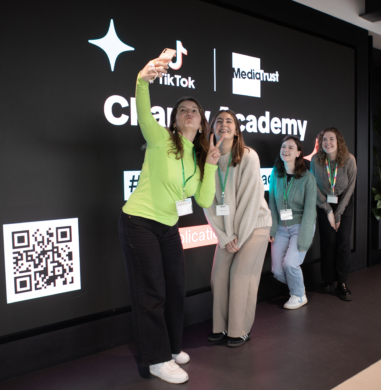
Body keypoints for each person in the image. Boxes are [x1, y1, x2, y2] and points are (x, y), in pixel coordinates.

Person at [118, 58, 222, 384]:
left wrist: (214, 165)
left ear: (202, 122)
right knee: (152, 293)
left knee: (176, 289)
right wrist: (142, 80)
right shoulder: (161, 138)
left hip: (168, 227)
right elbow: (144, 112)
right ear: (175, 121)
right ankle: (157, 359)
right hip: (139, 221)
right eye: (182, 110)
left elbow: (203, 199)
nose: (188, 112)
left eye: (194, 110)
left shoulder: (199, 157)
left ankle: (172, 348)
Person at [203, 110, 272, 347]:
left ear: (236, 129)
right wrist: (224, 236)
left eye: (229, 121)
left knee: (241, 276)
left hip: (254, 227)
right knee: (218, 277)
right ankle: (220, 327)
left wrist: (238, 238)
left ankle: (239, 329)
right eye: (219, 121)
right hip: (229, 233)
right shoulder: (207, 159)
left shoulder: (248, 156)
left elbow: (250, 201)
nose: (224, 124)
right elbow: (208, 204)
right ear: (212, 128)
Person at [269, 135, 317, 309]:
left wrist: (304, 240)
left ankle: (298, 295)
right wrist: (272, 229)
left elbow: (310, 210)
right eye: (283, 147)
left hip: (301, 226)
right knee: (277, 270)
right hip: (281, 227)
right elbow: (272, 204)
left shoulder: (307, 178)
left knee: (290, 263)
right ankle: (297, 287)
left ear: (298, 153)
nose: (286, 150)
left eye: (290, 147)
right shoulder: (276, 173)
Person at [310, 127, 357, 301]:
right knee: (328, 241)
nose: (327, 143)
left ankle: (342, 282)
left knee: (343, 242)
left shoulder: (349, 160)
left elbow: (351, 187)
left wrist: (338, 214)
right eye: (324, 140)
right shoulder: (316, 160)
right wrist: (328, 210)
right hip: (324, 202)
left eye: (331, 139)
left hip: (344, 201)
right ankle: (328, 280)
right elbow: (313, 186)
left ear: (338, 142)